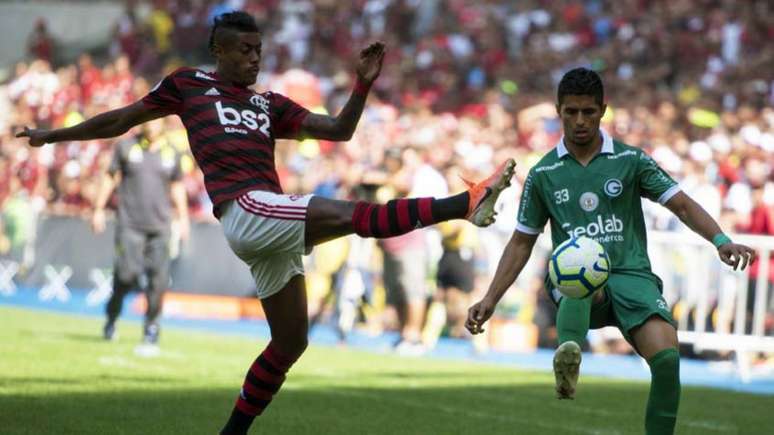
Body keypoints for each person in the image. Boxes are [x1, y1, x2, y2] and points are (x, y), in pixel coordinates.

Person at [16, 11, 516, 435]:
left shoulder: (268, 104)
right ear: (222, 51)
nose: (256, 59)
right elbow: (119, 120)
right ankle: (463, 203)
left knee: (291, 341)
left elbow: (339, 130)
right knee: (347, 214)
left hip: (267, 222)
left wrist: (363, 83)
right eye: (247, 51)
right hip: (244, 208)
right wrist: (51, 136)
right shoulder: (188, 86)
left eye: (260, 50)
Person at [465, 68, 756, 435]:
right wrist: (491, 297)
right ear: (558, 111)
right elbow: (522, 240)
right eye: (571, 112)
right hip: (580, 286)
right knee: (579, 272)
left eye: (588, 112)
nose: (580, 121)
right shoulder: (543, 173)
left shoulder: (631, 160)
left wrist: (720, 240)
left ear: (603, 110)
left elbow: (681, 204)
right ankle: (570, 351)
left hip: (633, 276)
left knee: (667, 361)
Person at [91, 118, 189, 350]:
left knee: (159, 279)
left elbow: (177, 186)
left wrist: (183, 218)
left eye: (155, 120)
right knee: (126, 275)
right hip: (130, 224)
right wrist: (98, 209)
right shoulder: (126, 147)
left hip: (160, 227)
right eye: (147, 119)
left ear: (163, 123)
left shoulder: (172, 153)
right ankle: (112, 317)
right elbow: (110, 177)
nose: (151, 124)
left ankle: (151, 326)